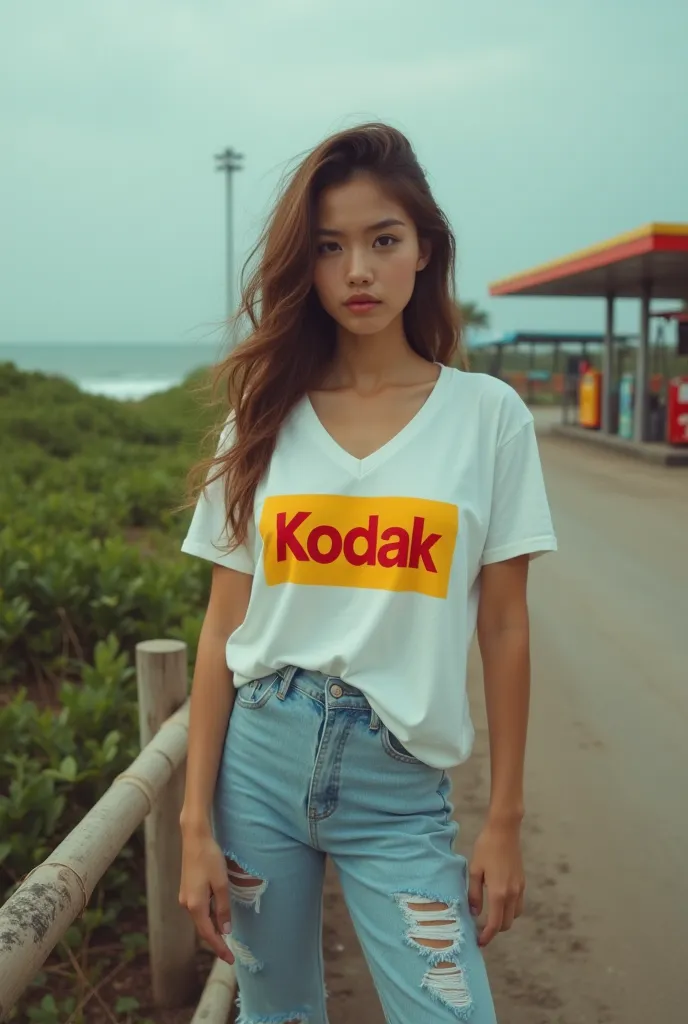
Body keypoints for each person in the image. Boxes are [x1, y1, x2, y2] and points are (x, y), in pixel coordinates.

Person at [177, 122, 557, 1024]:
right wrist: (195, 823)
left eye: (383, 241)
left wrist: (503, 820)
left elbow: (504, 626)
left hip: (399, 790)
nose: (358, 270)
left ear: (424, 249)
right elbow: (223, 626)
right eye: (330, 248)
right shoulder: (263, 418)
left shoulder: (486, 417)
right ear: (304, 268)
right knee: (279, 1015)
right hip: (257, 770)